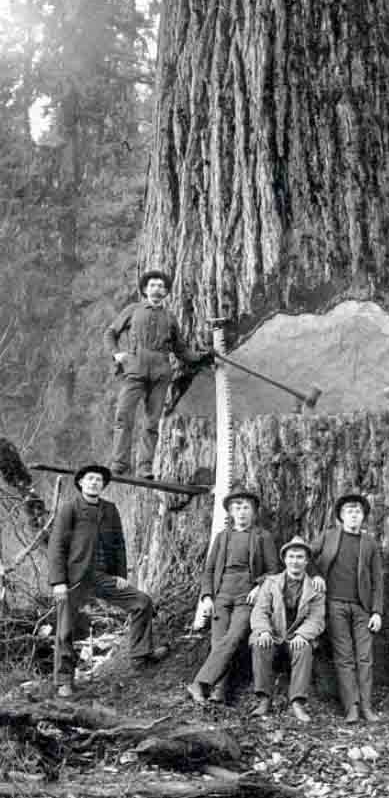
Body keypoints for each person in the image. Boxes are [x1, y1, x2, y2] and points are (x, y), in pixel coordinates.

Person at [48, 464, 168, 698]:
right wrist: (58, 582)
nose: (94, 483)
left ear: (103, 485)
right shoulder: (69, 509)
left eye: (98, 480)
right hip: (74, 579)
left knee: (141, 602)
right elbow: (56, 547)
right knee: (65, 630)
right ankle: (63, 680)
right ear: (81, 483)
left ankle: (140, 655)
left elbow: (119, 544)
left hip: (103, 576)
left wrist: (121, 576)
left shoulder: (110, 510)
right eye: (90, 479)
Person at [104, 269, 206, 478]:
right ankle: (119, 464)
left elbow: (181, 350)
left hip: (161, 371)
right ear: (145, 289)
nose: (156, 289)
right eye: (152, 285)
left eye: (161, 286)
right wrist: (116, 354)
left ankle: (144, 467)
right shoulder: (133, 310)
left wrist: (202, 357)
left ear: (166, 291)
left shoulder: (170, 318)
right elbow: (110, 333)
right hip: (134, 368)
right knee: (124, 416)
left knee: (151, 422)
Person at [186, 483, 280, 705]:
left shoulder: (262, 536)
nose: (241, 511)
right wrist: (207, 596)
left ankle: (199, 683)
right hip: (222, 593)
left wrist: (259, 587)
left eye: (246, 507)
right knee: (219, 641)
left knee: (234, 637)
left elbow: (274, 570)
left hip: (246, 595)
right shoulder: (222, 537)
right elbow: (209, 570)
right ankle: (219, 691)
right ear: (230, 512)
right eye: (237, 507)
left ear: (253, 512)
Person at [312, 493, 383, 723]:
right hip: (334, 604)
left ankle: (366, 706)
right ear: (341, 516)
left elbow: (377, 579)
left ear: (363, 517)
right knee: (344, 657)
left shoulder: (369, 542)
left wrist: (377, 611)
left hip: (362, 607)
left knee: (365, 657)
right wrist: (315, 576)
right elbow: (306, 556)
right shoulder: (329, 536)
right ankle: (351, 706)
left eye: (358, 511)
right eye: (349, 511)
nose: (354, 514)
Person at [249, 536, 325, 723]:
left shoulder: (315, 588)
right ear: (285, 559)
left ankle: (297, 703)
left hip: (296, 637)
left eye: (300, 557)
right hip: (274, 634)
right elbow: (260, 611)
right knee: (260, 644)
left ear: (306, 561)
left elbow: (317, 618)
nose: (295, 561)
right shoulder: (271, 582)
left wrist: (302, 634)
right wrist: (264, 631)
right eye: (291, 557)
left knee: (304, 649)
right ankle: (264, 699)